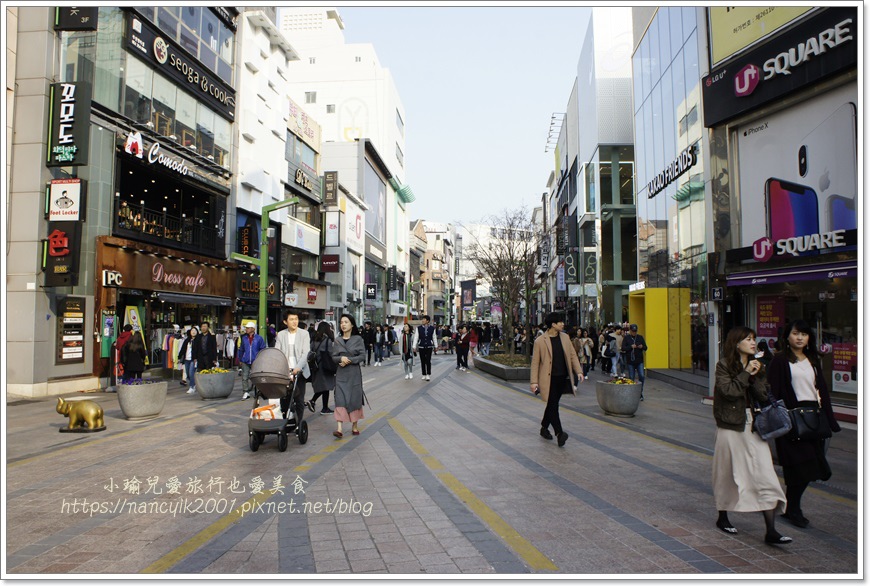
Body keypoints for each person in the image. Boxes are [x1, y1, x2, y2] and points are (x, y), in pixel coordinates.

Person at [712, 325, 790, 544]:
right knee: (727, 474)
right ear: (737, 343)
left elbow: (764, 394)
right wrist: (746, 373)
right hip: (730, 426)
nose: (753, 343)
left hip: (754, 425)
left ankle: (771, 531)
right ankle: (723, 516)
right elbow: (728, 392)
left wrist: (756, 375)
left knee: (765, 473)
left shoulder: (759, 366)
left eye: (754, 339)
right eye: (748, 339)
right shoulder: (724, 365)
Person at [768, 319, 840, 529]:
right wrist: (782, 418)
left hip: (813, 419)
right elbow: (773, 391)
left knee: (812, 466)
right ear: (787, 337)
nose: (800, 338)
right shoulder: (780, 361)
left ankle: (792, 507)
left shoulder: (813, 359)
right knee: (798, 466)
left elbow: (822, 390)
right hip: (792, 419)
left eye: (804, 334)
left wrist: (830, 419)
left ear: (809, 338)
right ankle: (794, 509)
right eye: (795, 333)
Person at [530, 313, 584, 448]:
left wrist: (579, 371)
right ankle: (559, 433)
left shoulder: (565, 338)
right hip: (548, 379)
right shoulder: (540, 341)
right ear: (553, 324)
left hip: (562, 377)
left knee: (552, 404)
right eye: (560, 322)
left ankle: (544, 427)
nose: (562, 324)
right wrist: (533, 382)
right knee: (553, 405)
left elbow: (572, 356)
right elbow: (535, 362)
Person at [331, 313, 366, 438]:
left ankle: (354, 426)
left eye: (346, 322)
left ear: (352, 324)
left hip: (354, 374)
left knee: (354, 399)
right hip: (341, 374)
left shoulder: (358, 339)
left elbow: (362, 356)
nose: (343, 324)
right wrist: (341, 358)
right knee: (340, 399)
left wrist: (350, 360)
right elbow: (333, 357)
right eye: (341, 322)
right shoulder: (337, 340)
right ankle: (339, 429)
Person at [275, 308, 312, 419]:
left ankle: (299, 423)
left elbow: (305, 353)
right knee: (284, 399)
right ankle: (285, 421)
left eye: (296, 319)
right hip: (285, 372)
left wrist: (297, 368)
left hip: (299, 372)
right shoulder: (281, 335)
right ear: (285, 322)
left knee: (299, 399)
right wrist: (284, 369)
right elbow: (278, 352)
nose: (294, 321)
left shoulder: (304, 334)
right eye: (291, 319)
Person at [306, 321, 336, 414]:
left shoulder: (314, 339)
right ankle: (314, 401)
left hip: (316, 366)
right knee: (325, 387)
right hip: (325, 367)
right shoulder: (328, 340)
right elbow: (331, 354)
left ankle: (324, 407)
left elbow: (310, 351)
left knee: (324, 387)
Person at [239, 321, 267, 401]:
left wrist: (261, 358)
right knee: (244, 377)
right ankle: (245, 392)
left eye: (248, 328)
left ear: (253, 329)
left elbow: (262, 349)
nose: (246, 329)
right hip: (246, 360)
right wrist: (240, 358)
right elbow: (241, 349)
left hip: (255, 360)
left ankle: (257, 391)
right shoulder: (244, 338)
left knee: (256, 377)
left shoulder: (259, 338)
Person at [622, 324, 648, 400]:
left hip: (639, 360)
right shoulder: (627, 338)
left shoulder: (640, 337)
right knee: (631, 377)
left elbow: (646, 347)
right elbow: (623, 348)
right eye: (633, 331)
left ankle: (640, 392)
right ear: (630, 331)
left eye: (635, 331)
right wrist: (630, 347)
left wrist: (641, 347)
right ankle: (632, 393)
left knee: (641, 376)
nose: (634, 333)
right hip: (630, 360)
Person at [178, 327, 199, 394]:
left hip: (194, 359)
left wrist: (197, 358)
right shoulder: (187, 340)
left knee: (191, 372)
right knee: (188, 374)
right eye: (192, 330)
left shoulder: (198, 340)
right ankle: (194, 383)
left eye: (195, 331)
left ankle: (191, 387)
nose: (193, 332)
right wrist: (179, 356)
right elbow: (183, 349)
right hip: (187, 359)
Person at [415, 315, 437, 381]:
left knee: (428, 360)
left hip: (429, 346)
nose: (422, 320)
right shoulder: (418, 328)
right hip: (421, 346)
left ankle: (428, 374)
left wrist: (436, 346)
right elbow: (416, 337)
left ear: (427, 321)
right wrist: (414, 346)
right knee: (422, 360)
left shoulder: (432, 328)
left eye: (424, 319)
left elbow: (434, 337)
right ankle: (423, 374)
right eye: (422, 319)